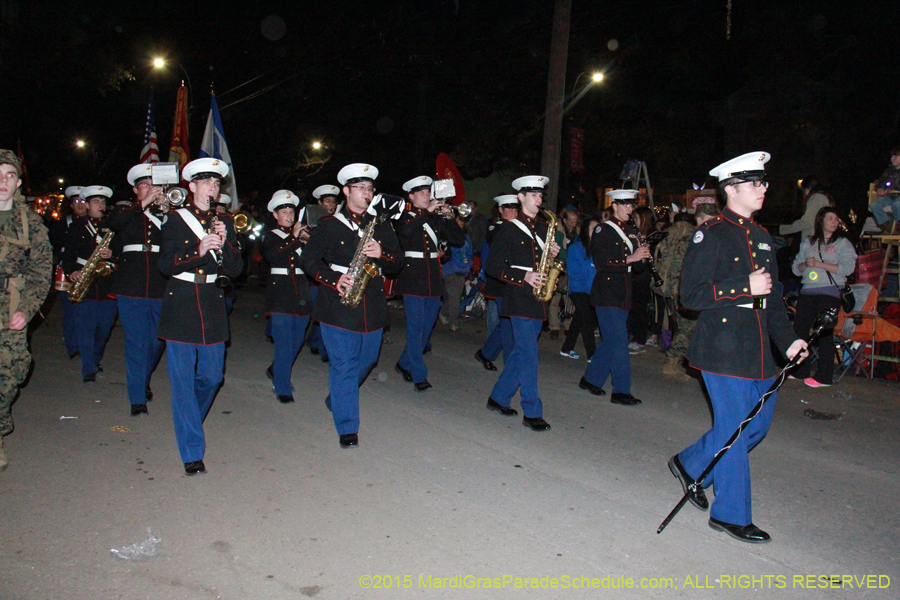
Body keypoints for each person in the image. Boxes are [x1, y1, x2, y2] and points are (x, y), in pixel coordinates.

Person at [672, 151, 808, 544]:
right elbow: (690, 296)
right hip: (721, 346)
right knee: (735, 430)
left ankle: (691, 463)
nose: (763, 188)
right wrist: (742, 287)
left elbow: (773, 301)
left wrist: (789, 340)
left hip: (757, 346)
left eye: (764, 182)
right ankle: (730, 514)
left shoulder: (763, 237)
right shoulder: (711, 234)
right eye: (755, 183)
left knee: (757, 425)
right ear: (731, 189)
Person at [299, 163, 402, 448]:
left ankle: (338, 397)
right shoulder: (329, 225)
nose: (367, 193)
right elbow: (308, 260)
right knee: (344, 366)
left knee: (367, 360)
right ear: (346, 191)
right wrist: (333, 279)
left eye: (370, 188)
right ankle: (347, 427)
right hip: (338, 303)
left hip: (372, 303)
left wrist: (382, 253)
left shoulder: (381, 223)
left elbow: (398, 262)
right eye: (361, 188)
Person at [157, 157, 242, 476]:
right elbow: (165, 265)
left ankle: (187, 417)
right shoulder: (175, 220)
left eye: (216, 183)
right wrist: (199, 251)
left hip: (212, 303)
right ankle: (192, 451)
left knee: (212, 377)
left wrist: (226, 243)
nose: (212, 188)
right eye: (206, 182)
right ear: (192, 186)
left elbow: (236, 270)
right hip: (181, 302)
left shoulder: (226, 221)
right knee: (182, 382)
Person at [484, 175, 559, 431]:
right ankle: (532, 410)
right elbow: (493, 266)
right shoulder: (509, 229)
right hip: (518, 296)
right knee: (528, 354)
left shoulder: (544, 228)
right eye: (534, 195)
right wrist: (523, 276)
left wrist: (552, 256)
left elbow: (543, 260)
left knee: (520, 353)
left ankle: (498, 397)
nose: (539, 199)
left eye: (541, 195)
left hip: (538, 297)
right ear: (521, 197)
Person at [0, 150, 52, 471]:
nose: (2, 181)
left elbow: (41, 272)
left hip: (11, 308)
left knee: (10, 375)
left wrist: (27, 309)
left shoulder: (30, 223)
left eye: (9, 175)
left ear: (17, 183)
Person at [105, 164, 168, 415]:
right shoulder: (127, 212)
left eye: (154, 185)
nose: (150, 189)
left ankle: (142, 379)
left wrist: (167, 210)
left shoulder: (168, 213)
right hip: (131, 285)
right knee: (136, 343)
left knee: (158, 341)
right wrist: (143, 204)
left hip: (161, 285)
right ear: (135, 189)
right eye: (144, 185)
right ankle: (137, 398)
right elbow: (113, 224)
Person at [577, 190, 648, 405]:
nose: (629, 209)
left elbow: (637, 269)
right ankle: (621, 390)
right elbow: (602, 263)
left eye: (631, 205)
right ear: (615, 206)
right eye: (625, 205)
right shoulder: (604, 230)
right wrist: (630, 257)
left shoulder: (630, 232)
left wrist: (643, 255)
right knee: (619, 343)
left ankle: (591, 379)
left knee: (612, 340)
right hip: (607, 293)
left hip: (623, 293)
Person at [395, 175, 465, 391]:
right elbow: (407, 232)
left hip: (433, 278)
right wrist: (427, 212)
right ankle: (419, 375)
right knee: (416, 328)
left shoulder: (435, 218)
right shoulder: (404, 216)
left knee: (426, 328)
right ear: (411, 196)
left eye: (428, 192)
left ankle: (404, 363)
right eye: (421, 193)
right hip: (412, 277)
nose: (426, 196)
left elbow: (458, 240)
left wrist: (449, 217)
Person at [653, 200, 719, 381]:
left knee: (690, 327)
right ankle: (673, 363)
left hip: (680, 288)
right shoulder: (697, 236)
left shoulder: (684, 233)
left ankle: (689, 363)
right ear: (701, 219)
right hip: (689, 289)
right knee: (687, 327)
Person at [791, 206, 857, 387]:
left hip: (830, 291)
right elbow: (795, 268)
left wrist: (820, 264)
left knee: (824, 332)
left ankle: (824, 376)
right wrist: (806, 264)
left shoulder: (842, 243)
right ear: (821, 221)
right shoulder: (809, 243)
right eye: (830, 218)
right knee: (800, 330)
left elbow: (847, 268)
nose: (834, 222)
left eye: (836, 219)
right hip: (808, 291)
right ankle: (799, 370)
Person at [63, 185, 119, 383]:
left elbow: (123, 252)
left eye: (103, 202)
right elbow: (67, 255)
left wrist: (113, 254)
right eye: (96, 202)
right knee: (85, 329)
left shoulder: (113, 228)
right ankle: (88, 367)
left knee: (104, 328)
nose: (100, 205)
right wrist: (72, 271)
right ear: (87, 205)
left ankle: (95, 358)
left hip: (106, 284)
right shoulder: (77, 227)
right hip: (85, 283)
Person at [262, 190, 312, 403]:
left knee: (298, 340)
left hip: (301, 289)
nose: (289, 216)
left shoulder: (302, 237)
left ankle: (276, 368)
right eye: (284, 212)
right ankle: (282, 385)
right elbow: (273, 256)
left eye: (291, 212)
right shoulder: (270, 236)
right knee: (284, 342)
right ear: (275, 215)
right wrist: (294, 238)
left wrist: (311, 240)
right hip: (280, 291)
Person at [474, 194, 518, 372]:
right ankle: (510, 365)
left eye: (515, 208)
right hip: (500, 282)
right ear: (500, 210)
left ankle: (486, 353)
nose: (513, 212)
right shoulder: (495, 228)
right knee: (507, 324)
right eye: (509, 208)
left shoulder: (518, 227)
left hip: (515, 281)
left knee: (508, 323)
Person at [48, 186, 88, 359]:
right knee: (70, 309)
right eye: (76, 201)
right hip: (67, 269)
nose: (80, 204)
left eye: (83, 201)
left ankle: (86, 344)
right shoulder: (63, 223)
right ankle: (73, 346)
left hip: (87, 269)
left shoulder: (95, 223)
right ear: (71, 205)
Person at [306, 184, 340, 361]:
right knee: (318, 310)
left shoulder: (339, 220)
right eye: (327, 201)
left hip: (332, 272)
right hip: (314, 273)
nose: (331, 205)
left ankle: (320, 344)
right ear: (319, 203)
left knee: (326, 311)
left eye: (333, 201)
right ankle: (317, 342)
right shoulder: (310, 220)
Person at [559, 218, 598, 361]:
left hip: (591, 290)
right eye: (593, 228)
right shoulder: (576, 247)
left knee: (579, 319)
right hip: (578, 289)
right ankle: (592, 355)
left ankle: (566, 348)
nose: (596, 231)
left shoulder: (596, 248)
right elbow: (574, 271)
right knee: (587, 320)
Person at [439, 208, 472, 333]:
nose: (462, 222)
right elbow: (444, 251)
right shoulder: (448, 236)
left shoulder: (466, 237)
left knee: (453, 296)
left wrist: (469, 265)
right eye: (459, 219)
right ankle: (453, 321)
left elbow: (469, 253)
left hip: (462, 269)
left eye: (464, 220)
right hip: (451, 269)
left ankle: (443, 312)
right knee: (454, 298)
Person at [868, 148, 900, 232]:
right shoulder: (889, 171)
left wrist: (891, 189)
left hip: (898, 197)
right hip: (890, 197)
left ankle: (898, 225)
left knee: (897, 204)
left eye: (895, 156)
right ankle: (889, 226)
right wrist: (879, 189)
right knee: (874, 205)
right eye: (892, 156)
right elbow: (880, 182)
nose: (892, 158)